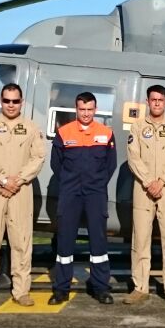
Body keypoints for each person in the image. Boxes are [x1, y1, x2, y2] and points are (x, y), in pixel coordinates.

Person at [0, 83, 46, 308]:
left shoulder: (32, 128)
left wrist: (18, 180)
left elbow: (38, 158)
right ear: (0, 100)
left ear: (21, 102)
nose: (11, 105)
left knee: (21, 241)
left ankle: (21, 291)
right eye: (6, 101)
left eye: (15, 101)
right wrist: (3, 180)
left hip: (21, 190)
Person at [50, 91, 117, 304]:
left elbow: (110, 165)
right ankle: (61, 288)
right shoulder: (64, 132)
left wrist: (96, 184)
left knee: (98, 241)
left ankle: (100, 287)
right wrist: (70, 183)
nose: (86, 113)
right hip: (70, 194)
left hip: (95, 194)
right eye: (82, 109)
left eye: (89, 110)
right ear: (76, 109)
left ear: (95, 110)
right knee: (65, 241)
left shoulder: (106, 133)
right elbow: (56, 164)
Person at [124, 84, 165, 305]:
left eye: (161, 100)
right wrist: (148, 181)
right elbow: (133, 157)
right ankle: (140, 287)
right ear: (147, 102)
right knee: (141, 238)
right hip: (143, 189)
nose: (157, 103)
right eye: (153, 100)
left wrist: (161, 180)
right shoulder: (138, 127)